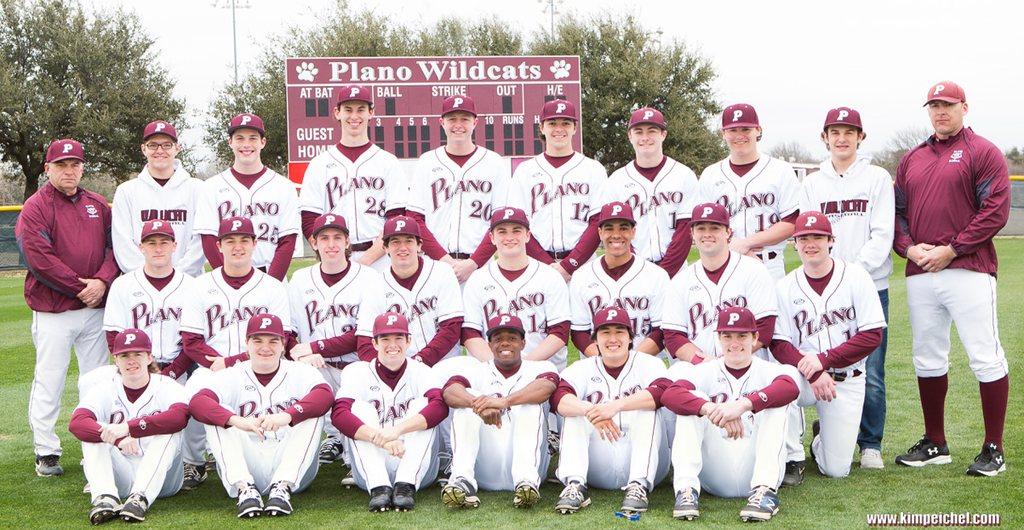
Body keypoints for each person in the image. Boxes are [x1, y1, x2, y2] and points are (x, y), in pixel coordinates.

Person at [892, 81, 1009, 476]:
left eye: (948, 105)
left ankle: (993, 448)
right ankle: (935, 442)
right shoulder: (912, 158)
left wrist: (952, 249)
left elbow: (995, 210)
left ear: (964, 107)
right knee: (927, 357)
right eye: (934, 106)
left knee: (985, 356)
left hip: (969, 269)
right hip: (921, 270)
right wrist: (910, 249)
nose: (940, 111)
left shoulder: (983, 151)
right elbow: (898, 215)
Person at [15, 139, 120, 477]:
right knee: (50, 379)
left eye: (75, 164)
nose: (69, 171)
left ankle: (96, 445)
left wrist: (102, 282)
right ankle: (46, 451)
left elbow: (113, 249)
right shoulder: (35, 205)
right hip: (53, 310)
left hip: (94, 309)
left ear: (83, 167)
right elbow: (39, 259)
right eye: (61, 165)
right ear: (48, 169)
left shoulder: (97, 203)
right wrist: (82, 288)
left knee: (97, 380)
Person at [799, 107, 894, 469]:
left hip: (869, 284)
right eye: (835, 131)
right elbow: (807, 235)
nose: (842, 138)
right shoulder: (812, 182)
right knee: (823, 358)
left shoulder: (877, 177)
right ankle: (828, 427)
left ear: (860, 137)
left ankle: (870, 443)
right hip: (822, 288)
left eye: (849, 131)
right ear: (824, 137)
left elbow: (882, 233)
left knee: (872, 369)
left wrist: (849, 274)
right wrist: (830, 274)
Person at [770, 212, 886, 479]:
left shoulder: (856, 277)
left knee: (836, 470)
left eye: (818, 237)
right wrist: (812, 370)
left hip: (847, 378)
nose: (811, 243)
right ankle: (791, 455)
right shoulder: (785, 286)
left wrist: (823, 360)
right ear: (795, 243)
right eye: (803, 238)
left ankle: (820, 438)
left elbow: (872, 335)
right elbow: (778, 343)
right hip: (804, 377)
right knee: (781, 380)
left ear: (831, 240)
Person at [662, 306, 799, 522]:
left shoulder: (766, 369)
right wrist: (711, 408)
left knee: (775, 402)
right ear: (718, 338)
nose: (734, 343)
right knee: (692, 399)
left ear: (755, 338)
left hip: (756, 465)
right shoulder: (707, 369)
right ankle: (686, 490)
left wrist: (742, 405)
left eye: (742, 336)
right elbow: (670, 395)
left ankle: (765, 491)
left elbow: (790, 387)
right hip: (715, 470)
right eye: (727, 336)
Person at [189, 314, 333, 518]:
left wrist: (288, 415)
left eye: (273, 341)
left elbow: (325, 395)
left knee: (312, 414)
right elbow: (197, 402)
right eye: (258, 341)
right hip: (247, 460)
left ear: (283, 345)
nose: (265, 347)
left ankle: (282, 488)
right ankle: (244, 489)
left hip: (292, 462)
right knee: (217, 417)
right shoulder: (232, 373)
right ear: (246, 344)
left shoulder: (298, 370)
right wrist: (236, 420)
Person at [102, 219, 208, 489]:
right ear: (141, 247)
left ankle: (193, 463)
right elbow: (114, 336)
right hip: (135, 368)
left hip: (179, 367)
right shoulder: (123, 285)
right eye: (151, 243)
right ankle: (109, 466)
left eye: (164, 242)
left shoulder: (192, 286)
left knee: (194, 399)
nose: (158, 248)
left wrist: (172, 373)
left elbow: (193, 340)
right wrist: (137, 370)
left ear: (175, 246)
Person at [464, 99, 605, 281]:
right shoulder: (525, 170)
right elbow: (519, 223)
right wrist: (548, 265)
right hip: (536, 266)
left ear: (575, 128)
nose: (559, 129)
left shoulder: (593, 169)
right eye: (552, 123)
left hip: (583, 266)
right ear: (542, 127)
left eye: (566, 123)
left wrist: (570, 266)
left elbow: (597, 222)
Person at [286, 213, 385, 464]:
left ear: (348, 242)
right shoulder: (299, 280)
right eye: (325, 238)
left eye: (338, 237)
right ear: (314, 243)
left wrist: (313, 346)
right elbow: (288, 331)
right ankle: (330, 437)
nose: (331, 244)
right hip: (315, 367)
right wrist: (298, 351)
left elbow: (364, 336)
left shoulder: (368, 278)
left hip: (354, 363)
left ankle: (353, 448)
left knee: (359, 409)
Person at [552, 307, 671, 515]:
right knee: (576, 412)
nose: (613, 338)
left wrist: (615, 406)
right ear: (595, 339)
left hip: (647, 462)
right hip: (597, 465)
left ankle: (638, 485)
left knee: (647, 409)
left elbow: (663, 392)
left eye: (619, 332)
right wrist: (593, 412)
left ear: (630, 338)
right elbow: (559, 399)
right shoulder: (582, 368)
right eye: (605, 332)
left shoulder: (650, 363)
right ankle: (575, 484)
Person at [331, 312, 449, 512]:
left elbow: (440, 406)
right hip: (371, 464)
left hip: (418, 465)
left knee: (423, 405)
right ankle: (379, 488)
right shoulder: (359, 372)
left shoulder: (421, 371)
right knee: (359, 409)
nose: (392, 344)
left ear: (408, 341)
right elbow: (339, 414)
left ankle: (406, 485)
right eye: (385, 339)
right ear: (375, 343)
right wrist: (382, 439)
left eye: (398, 338)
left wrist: (397, 430)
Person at [69, 329, 189, 524]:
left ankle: (140, 497)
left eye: (138, 354)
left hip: (164, 480)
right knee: (97, 430)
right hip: (122, 473)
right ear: (116, 360)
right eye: (124, 355)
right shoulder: (105, 388)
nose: (131, 360)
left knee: (169, 431)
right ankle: (106, 498)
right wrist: (116, 438)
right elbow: (77, 423)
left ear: (150, 357)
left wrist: (128, 428)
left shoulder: (167, 385)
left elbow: (179, 417)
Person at [440, 315, 559, 509]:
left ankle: (526, 482)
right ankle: (462, 479)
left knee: (529, 404)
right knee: (467, 400)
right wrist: (478, 405)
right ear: (490, 344)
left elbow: (546, 387)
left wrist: (503, 402)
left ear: (523, 343)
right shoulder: (477, 370)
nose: (505, 343)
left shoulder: (541, 367)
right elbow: (449, 392)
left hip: (529, 463)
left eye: (512, 338)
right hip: (485, 465)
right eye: (498, 339)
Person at [404, 95, 512, 281]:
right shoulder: (427, 162)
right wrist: (443, 260)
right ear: (442, 122)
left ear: (475, 122)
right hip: (434, 265)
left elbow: (500, 221)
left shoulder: (494, 162)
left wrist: (474, 262)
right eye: (452, 119)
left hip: (480, 267)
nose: (458, 125)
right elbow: (415, 218)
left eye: (464, 119)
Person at [298, 85, 405, 272]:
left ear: (371, 113)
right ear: (337, 112)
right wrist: (333, 258)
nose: (354, 116)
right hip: (333, 260)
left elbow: (396, 218)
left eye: (361, 109)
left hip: (381, 260)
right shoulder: (319, 164)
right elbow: (309, 221)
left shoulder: (388, 162)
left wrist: (365, 262)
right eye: (348, 109)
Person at [168, 217, 290, 377]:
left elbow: (283, 339)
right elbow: (191, 342)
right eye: (230, 241)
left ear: (254, 244)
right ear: (219, 246)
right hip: (211, 371)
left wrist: (231, 363)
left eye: (244, 240)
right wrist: (220, 364)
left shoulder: (273, 287)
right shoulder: (199, 286)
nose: (237, 247)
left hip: (261, 371)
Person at [588, 108, 699, 278]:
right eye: (638, 132)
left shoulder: (684, 175)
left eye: (652, 131)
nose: (645, 137)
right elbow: (617, 232)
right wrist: (638, 269)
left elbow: (685, 230)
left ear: (663, 135)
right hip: (631, 271)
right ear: (630, 136)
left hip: (678, 272)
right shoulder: (616, 180)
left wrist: (664, 273)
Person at [661, 203, 778, 362]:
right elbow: (673, 335)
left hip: (747, 367)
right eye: (701, 228)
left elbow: (765, 327)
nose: (707, 234)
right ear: (692, 233)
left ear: (728, 232)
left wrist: (726, 361)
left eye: (715, 228)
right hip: (698, 369)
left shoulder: (754, 270)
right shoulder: (680, 281)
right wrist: (704, 363)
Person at [698, 104, 801, 282]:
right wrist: (733, 247)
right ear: (723, 133)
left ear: (758, 131)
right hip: (723, 264)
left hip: (769, 265)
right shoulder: (710, 174)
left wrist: (745, 244)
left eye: (746, 129)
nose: (739, 135)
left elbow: (791, 223)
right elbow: (701, 227)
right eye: (732, 130)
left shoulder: (780, 170)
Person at [193, 113, 301, 282]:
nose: (246, 144)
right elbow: (209, 241)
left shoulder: (284, 186)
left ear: (263, 142)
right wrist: (229, 281)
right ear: (230, 142)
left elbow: (287, 242)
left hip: (271, 277)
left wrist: (270, 284)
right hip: (227, 282)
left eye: (253, 138)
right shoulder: (211, 187)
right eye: (240, 138)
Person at [461, 207, 570, 370]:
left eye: (516, 231)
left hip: (541, 371)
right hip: (490, 372)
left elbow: (560, 332)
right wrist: (496, 368)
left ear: (527, 236)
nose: (509, 237)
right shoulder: (477, 279)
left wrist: (522, 369)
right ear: (492, 237)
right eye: (502, 232)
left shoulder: (550, 277)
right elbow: (470, 333)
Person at [356, 215, 464, 366]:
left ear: (419, 245)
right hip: (396, 369)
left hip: (444, 364)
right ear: (385, 247)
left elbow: (451, 329)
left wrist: (417, 362)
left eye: (409, 240)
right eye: (395, 242)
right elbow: (365, 345)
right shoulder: (375, 286)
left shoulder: (442, 272)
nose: (403, 247)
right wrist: (390, 369)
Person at [568, 202, 669, 359]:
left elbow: (661, 331)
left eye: (623, 228)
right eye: (609, 228)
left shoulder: (657, 275)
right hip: (598, 367)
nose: (616, 234)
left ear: (633, 232)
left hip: (644, 365)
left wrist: (629, 361)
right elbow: (579, 332)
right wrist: (605, 361)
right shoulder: (581, 276)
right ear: (600, 233)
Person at [111, 120, 206, 277]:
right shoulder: (126, 191)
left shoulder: (198, 189)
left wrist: (178, 277)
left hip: (188, 284)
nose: (160, 150)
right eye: (153, 145)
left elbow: (200, 242)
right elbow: (123, 244)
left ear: (177, 148)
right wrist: (148, 277)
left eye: (167, 145)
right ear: (144, 149)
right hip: (140, 285)